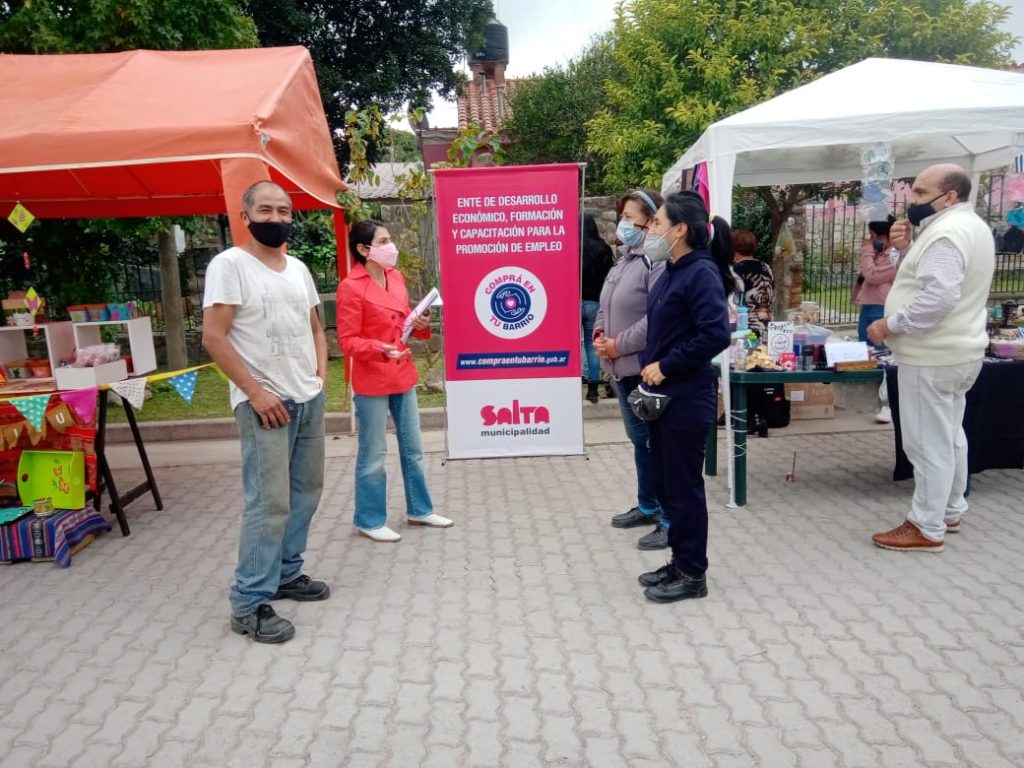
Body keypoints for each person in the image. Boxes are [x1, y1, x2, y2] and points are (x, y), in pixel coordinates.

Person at [202, 180, 330, 644]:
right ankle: (249, 602)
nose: (276, 219)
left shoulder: (298, 268)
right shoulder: (229, 266)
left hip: (306, 398)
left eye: (284, 211)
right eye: (266, 210)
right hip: (265, 406)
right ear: (246, 214)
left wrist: (319, 378)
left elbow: (315, 327)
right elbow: (213, 336)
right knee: (269, 503)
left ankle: (286, 573)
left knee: (306, 493)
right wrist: (256, 393)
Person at [867, 164, 995, 552]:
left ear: (950, 196)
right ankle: (950, 509)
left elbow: (938, 297)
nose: (913, 200)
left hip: (933, 355)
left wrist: (891, 324)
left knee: (927, 443)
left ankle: (926, 524)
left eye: (921, 193)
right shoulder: (969, 227)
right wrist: (906, 249)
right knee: (951, 437)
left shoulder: (946, 233)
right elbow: (930, 280)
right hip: (958, 351)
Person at [635, 191, 733, 603]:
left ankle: (693, 573)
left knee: (685, 488)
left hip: (686, 396)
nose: (650, 231)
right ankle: (679, 559)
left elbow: (716, 334)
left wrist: (667, 365)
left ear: (679, 230)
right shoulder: (672, 269)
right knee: (668, 486)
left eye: (656, 223)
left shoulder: (701, 273)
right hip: (663, 397)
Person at [337, 219, 452, 543]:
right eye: (383, 241)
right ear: (364, 249)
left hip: (402, 372)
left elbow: (404, 323)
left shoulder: (396, 277)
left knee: (413, 448)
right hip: (372, 377)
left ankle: (419, 509)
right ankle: (370, 519)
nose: (391, 247)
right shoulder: (351, 286)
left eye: (389, 239)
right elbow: (347, 341)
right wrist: (378, 348)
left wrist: (421, 323)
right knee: (373, 454)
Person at [594, 189, 668, 551]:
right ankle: (648, 505)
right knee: (641, 442)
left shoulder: (654, 263)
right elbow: (605, 304)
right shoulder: (623, 261)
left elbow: (655, 319)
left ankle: (668, 518)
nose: (624, 223)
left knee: (658, 443)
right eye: (622, 216)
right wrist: (598, 334)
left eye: (631, 218)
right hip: (619, 367)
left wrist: (618, 344)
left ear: (650, 221)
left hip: (643, 367)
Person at [855, 216, 899, 423]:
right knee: (866, 354)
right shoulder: (878, 253)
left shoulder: (894, 256)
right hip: (869, 306)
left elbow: (871, 275)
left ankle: (888, 404)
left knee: (884, 356)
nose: (867, 239)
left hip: (883, 308)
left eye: (870, 235)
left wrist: (866, 250)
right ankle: (868, 399)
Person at [581, 213, 614, 403]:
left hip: (573, 302)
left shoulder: (570, 247)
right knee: (591, 344)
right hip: (595, 302)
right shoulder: (603, 248)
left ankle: (571, 383)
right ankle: (593, 389)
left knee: (573, 345)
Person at [731, 229, 774, 337]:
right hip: (768, 326)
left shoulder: (735, 270)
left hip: (746, 328)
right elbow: (772, 295)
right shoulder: (766, 267)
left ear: (733, 248)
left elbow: (733, 303)